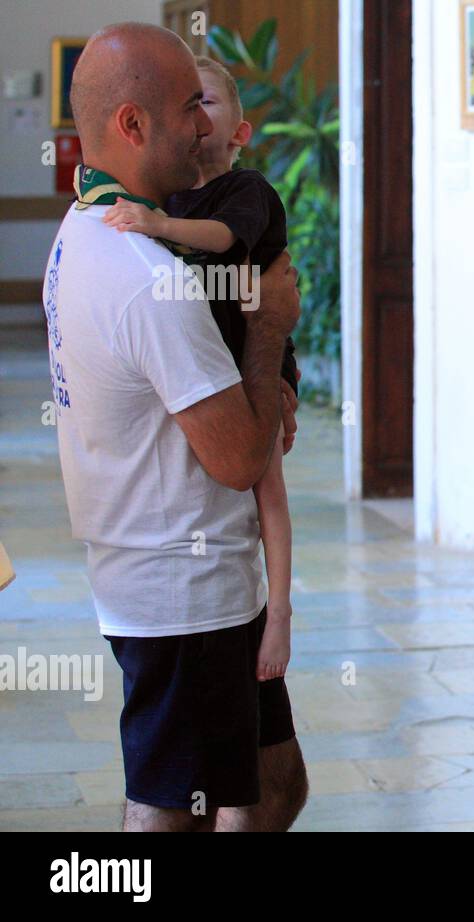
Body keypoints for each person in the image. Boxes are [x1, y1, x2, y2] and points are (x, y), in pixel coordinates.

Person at [42, 22, 306, 831]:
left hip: (194, 584)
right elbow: (235, 458)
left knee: (274, 785)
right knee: (172, 816)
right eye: (190, 106)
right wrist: (267, 333)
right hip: (182, 596)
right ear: (132, 124)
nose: (206, 123)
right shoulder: (145, 276)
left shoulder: (83, 230)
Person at [102, 55, 295, 682]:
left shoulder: (245, 192)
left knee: (267, 491)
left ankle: (280, 614)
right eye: (187, 106)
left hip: (255, 360)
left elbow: (218, 239)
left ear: (239, 133)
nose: (196, 119)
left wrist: (158, 223)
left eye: (205, 103)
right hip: (214, 368)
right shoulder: (171, 193)